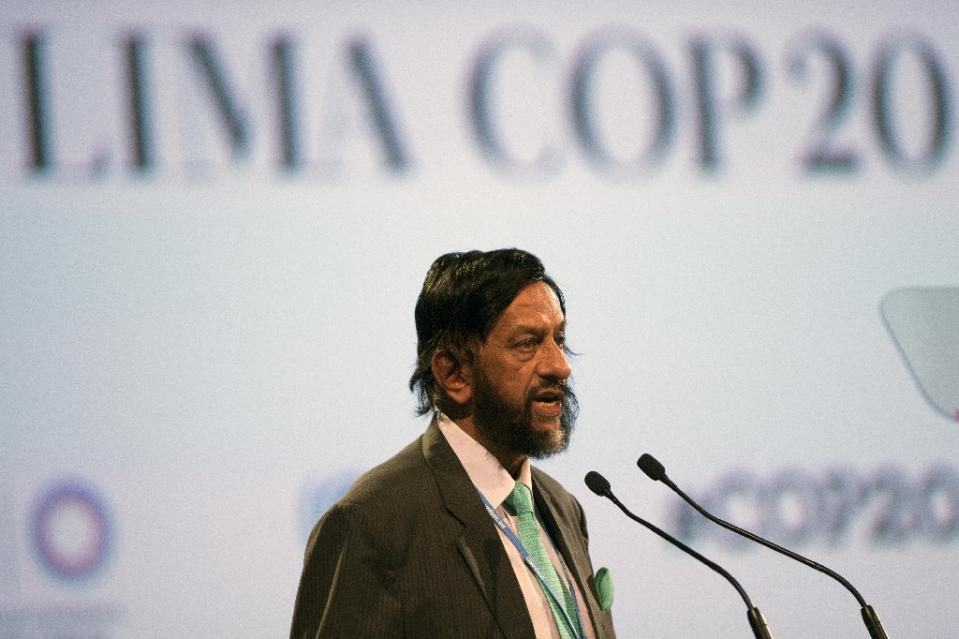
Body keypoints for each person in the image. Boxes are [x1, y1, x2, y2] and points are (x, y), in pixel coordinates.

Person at [289, 248, 616, 639]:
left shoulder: (563, 508)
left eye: (558, 340)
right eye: (527, 344)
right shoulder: (373, 523)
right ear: (454, 373)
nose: (560, 365)